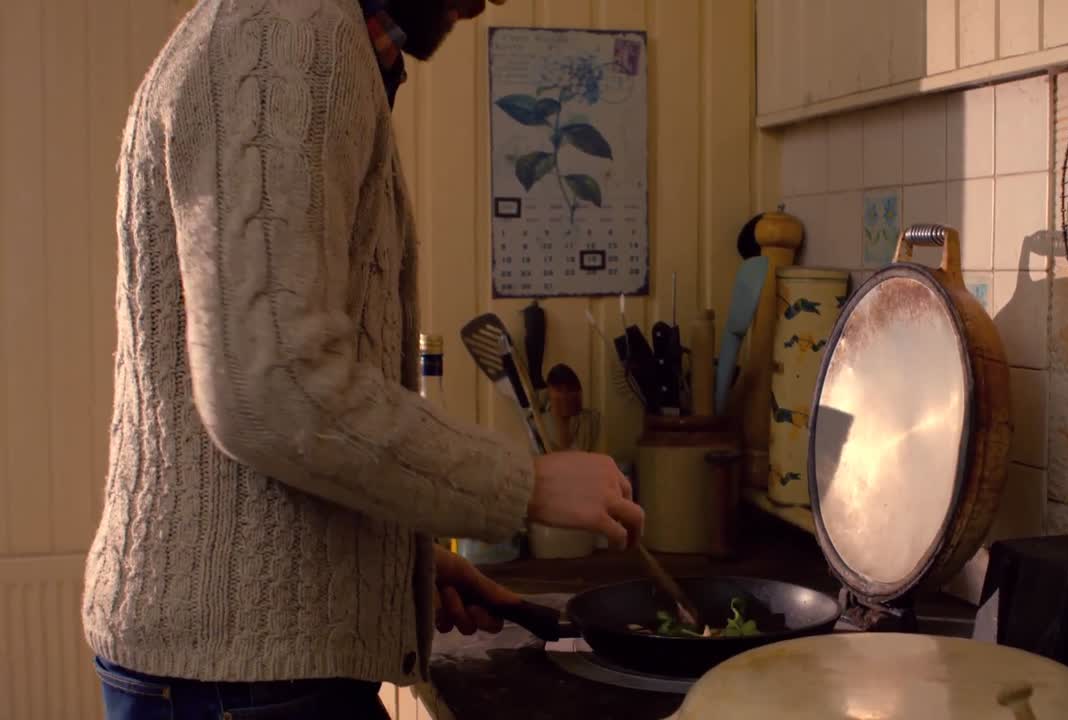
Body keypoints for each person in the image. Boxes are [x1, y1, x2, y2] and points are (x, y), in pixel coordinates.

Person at [81, 0, 645, 717]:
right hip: (239, 681)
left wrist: (395, 556)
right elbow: (275, 389)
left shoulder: (286, 33)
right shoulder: (287, 34)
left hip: (233, 669)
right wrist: (524, 484)